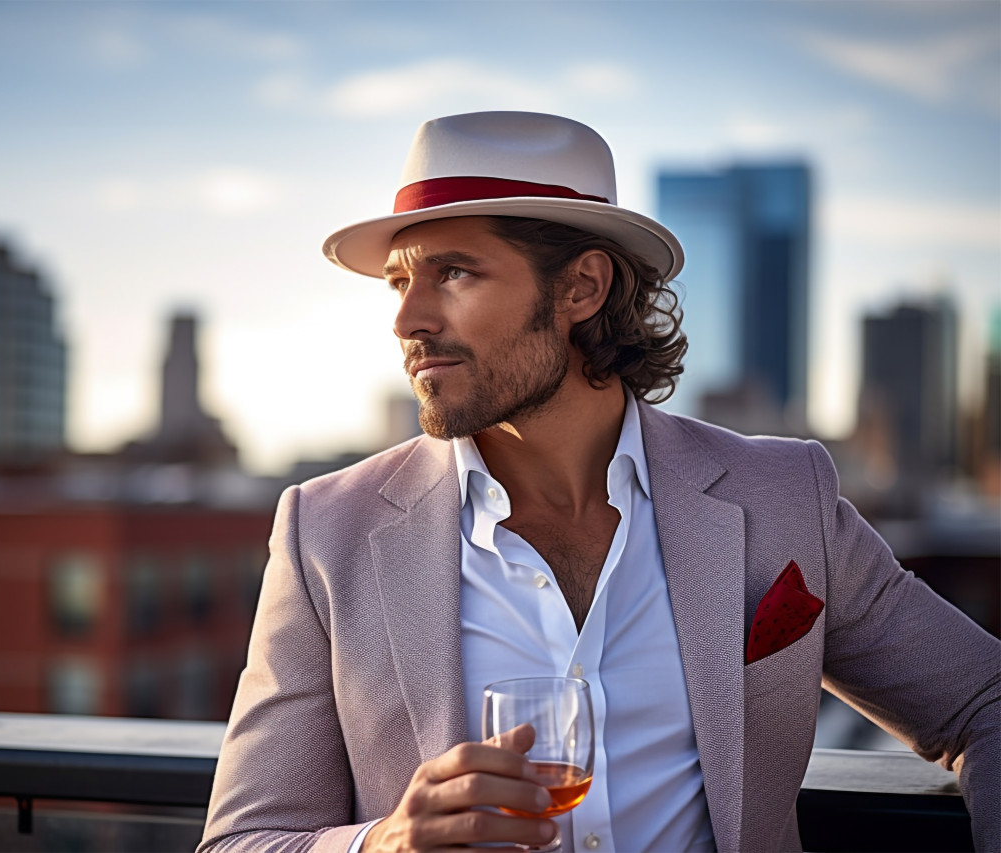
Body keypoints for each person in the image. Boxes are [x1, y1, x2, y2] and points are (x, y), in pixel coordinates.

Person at [199, 112, 999, 853]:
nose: (408, 319)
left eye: (454, 273)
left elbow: (983, 700)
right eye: (398, 282)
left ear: (583, 287)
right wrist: (383, 843)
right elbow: (243, 839)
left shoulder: (783, 495)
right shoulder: (324, 532)